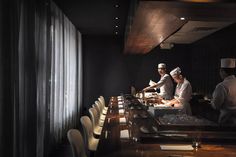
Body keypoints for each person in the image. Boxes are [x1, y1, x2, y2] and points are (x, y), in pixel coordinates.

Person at [211, 58, 236, 124]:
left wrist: (212, 102)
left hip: (226, 119)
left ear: (223, 71)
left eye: (220, 71)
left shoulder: (221, 86)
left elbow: (216, 105)